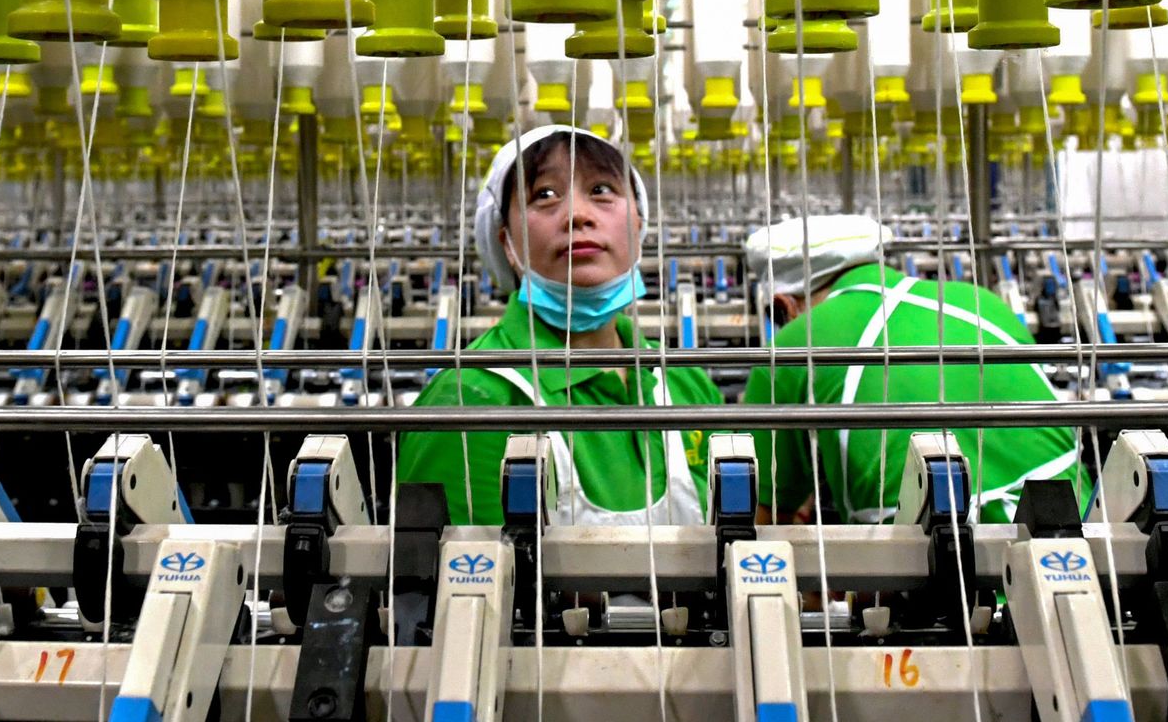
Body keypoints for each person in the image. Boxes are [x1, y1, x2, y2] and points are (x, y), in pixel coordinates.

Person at [398, 125, 723, 526]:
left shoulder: (683, 382)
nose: (578, 215)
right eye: (545, 195)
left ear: (639, 225)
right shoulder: (471, 401)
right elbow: (455, 577)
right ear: (507, 243)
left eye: (602, 190)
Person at [742, 215, 1083, 524]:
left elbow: (763, 520)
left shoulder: (793, 343)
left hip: (926, 566)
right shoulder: (981, 301)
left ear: (784, 304)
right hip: (1078, 534)